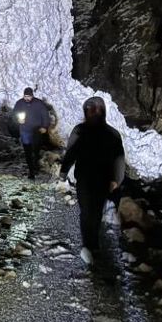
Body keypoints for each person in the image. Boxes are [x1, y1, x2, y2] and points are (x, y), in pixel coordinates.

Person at [59, 96, 126, 267]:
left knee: (95, 212)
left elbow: (119, 159)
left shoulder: (111, 134)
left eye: (96, 109)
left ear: (102, 112)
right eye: (91, 109)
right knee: (87, 211)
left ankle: (92, 243)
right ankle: (88, 244)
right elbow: (71, 153)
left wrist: (116, 179)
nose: (94, 112)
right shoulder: (80, 131)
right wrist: (64, 171)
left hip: (102, 180)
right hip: (85, 179)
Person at [12, 87, 50, 180]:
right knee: (27, 151)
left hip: (36, 130)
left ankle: (35, 166)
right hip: (25, 130)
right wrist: (18, 120)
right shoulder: (19, 103)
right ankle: (31, 171)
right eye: (25, 96)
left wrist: (45, 127)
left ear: (32, 96)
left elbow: (45, 115)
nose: (27, 98)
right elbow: (14, 115)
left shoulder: (39, 103)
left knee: (35, 150)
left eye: (29, 96)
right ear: (23, 96)